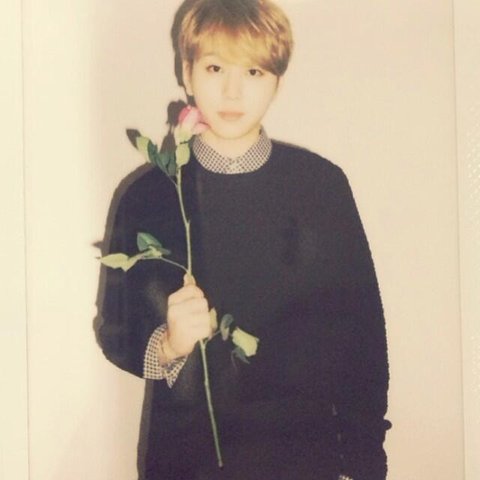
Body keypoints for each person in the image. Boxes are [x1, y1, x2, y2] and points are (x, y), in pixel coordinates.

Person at [97, 0, 391, 479]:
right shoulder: (148, 196)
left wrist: (365, 464)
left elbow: (362, 339)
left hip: (305, 459)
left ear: (277, 81)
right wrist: (168, 346)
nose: (232, 91)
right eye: (215, 68)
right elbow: (114, 330)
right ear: (187, 72)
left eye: (253, 71)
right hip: (186, 464)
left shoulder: (321, 187)